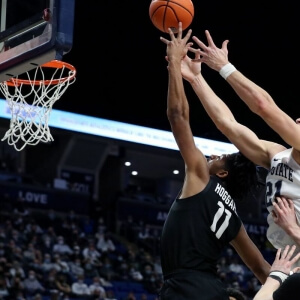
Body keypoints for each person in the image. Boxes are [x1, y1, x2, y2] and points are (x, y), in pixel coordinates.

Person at [158, 22, 270, 300]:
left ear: (222, 174)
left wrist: (173, 63)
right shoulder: (234, 219)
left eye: (219, 158)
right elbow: (261, 268)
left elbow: (178, 116)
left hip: (187, 288)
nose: (211, 156)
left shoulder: (199, 179)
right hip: (213, 290)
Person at [179, 29, 300, 257]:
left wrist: (224, 67)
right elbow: (227, 124)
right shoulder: (277, 154)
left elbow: (264, 106)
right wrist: (196, 78)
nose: (298, 119)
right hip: (288, 256)